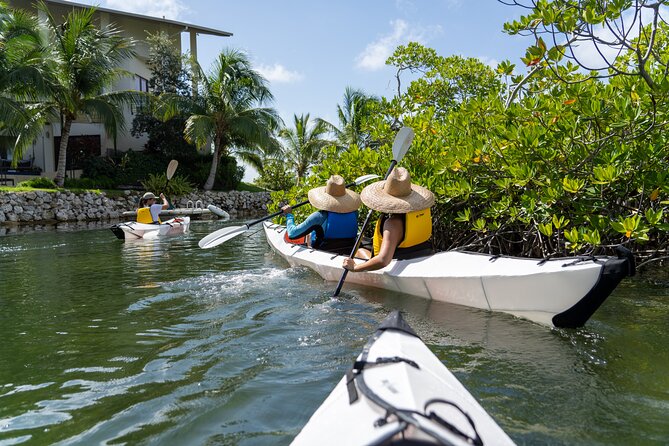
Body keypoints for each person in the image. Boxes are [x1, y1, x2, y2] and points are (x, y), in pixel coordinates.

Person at [342, 167, 434, 273]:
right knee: (366, 243)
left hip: (398, 261)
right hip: (421, 255)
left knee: (360, 251)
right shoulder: (419, 212)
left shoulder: (392, 224)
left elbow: (383, 260)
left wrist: (355, 268)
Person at [281, 175, 361, 254]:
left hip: (324, 252)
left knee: (309, 235)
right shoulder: (354, 213)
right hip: (349, 251)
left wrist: (289, 215)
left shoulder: (319, 217)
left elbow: (292, 234)